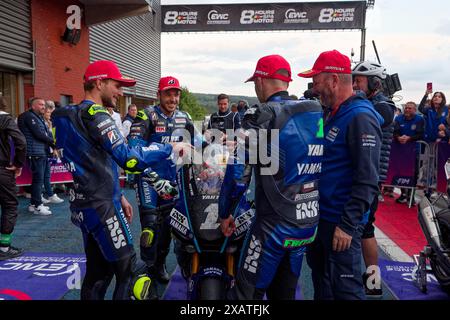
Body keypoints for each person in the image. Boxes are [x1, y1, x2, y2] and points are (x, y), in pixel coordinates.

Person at [51, 60, 188, 300]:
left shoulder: (66, 114)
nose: (120, 92)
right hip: (102, 207)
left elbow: (95, 160)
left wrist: (120, 194)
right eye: (116, 85)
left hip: (85, 204)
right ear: (99, 82)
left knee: (98, 272)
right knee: (129, 273)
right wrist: (169, 148)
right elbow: (128, 158)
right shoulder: (96, 115)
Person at [219, 54, 324, 299]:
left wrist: (226, 212)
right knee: (284, 293)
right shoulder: (315, 110)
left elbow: (238, 174)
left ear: (262, 80)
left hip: (272, 227)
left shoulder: (261, 115)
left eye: (256, 81)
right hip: (307, 222)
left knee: (244, 296)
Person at [299, 50, 382, 300]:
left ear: (334, 80)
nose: (313, 88)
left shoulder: (360, 116)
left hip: (341, 225)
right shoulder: (333, 112)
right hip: (322, 220)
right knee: (322, 284)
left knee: (346, 291)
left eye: (317, 81)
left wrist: (346, 225)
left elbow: (368, 180)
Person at [128, 76, 198, 298]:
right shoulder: (145, 115)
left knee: (169, 228)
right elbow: (133, 149)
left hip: (173, 180)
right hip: (149, 179)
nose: (173, 98)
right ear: (159, 94)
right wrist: (168, 146)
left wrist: (217, 147)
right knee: (150, 228)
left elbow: (196, 144)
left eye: (176, 94)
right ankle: (146, 273)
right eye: (168, 93)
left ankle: (159, 266)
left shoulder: (184, 117)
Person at [352, 60, 396, 297]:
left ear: (375, 83)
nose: (355, 85)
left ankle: (373, 281)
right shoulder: (372, 102)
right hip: (366, 176)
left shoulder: (384, 107)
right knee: (365, 229)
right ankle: (372, 279)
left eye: (358, 81)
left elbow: (370, 120)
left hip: (370, 179)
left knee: (365, 229)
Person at [18, 97, 56, 215]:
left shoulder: (38, 117)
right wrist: (54, 142)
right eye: (40, 104)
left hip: (41, 152)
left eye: (44, 105)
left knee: (38, 179)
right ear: (33, 106)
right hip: (34, 153)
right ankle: (38, 205)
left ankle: (34, 204)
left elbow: (45, 133)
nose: (43, 107)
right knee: (38, 180)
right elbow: (38, 134)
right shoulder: (28, 116)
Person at [0, 96, 27, 260]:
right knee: (9, 205)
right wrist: (18, 163)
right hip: (2, 170)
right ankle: (3, 247)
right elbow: (21, 141)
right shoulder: (4, 119)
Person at [394, 101, 424, 204]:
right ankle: (403, 194)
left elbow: (420, 134)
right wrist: (398, 137)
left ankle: (411, 195)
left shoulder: (419, 119)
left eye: (409, 108)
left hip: (414, 151)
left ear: (415, 110)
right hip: (401, 150)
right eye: (406, 108)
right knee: (401, 171)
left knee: (414, 173)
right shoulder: (398, 118)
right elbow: (395, 132)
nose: (407, 110)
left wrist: (409, 138)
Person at [41, 101, 64, 204]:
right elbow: (46, 138)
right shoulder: (42, 124)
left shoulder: (50, 123)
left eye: (50, 112)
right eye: (48, 112)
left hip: (50, 151)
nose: (50, 114)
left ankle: (49, 194)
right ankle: (42, 195)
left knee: (47, 175)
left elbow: (54, 137)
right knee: (42, 175)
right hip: (44, 151)